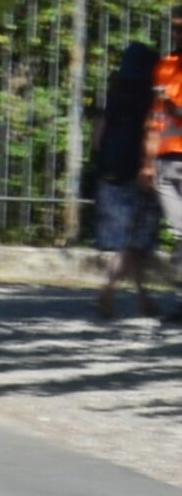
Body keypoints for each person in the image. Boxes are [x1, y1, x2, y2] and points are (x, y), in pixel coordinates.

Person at [92, 41, 159, 319]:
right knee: (135, 242)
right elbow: (149, 135)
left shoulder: (115, 96)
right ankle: (108, 292)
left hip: (111, 175)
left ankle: (144, 299)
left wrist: (101, 164)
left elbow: (97, 138)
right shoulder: (150, 99)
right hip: (138, 174)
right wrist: (148, 166)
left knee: (132, 243)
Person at [150, 8, 182, 322]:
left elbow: (169, 109)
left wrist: (173, 106)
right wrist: (147, 162)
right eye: (174, 28)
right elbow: (155, 118)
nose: (177, 34)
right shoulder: (165, 66)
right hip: (165, 159)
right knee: (181, 233)